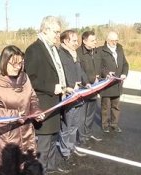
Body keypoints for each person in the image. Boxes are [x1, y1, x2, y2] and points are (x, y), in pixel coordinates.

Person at [0, 45, 45, 175]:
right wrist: (14, 115)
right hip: (7, 140)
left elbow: (32, 98)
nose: (18, 67)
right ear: (4, 62)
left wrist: (36, 111)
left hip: (27, 136)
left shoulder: (25, 78)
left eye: (20, 63)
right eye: (14, 63)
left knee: (30, 169)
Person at [24, 16, 70, 174]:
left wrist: (65, 87)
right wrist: (52, 87)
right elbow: (29, 79)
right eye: (56, 32)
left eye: (59, 32)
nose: (58, 35)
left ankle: (51, 168)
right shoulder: (34, 50)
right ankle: (41, 170)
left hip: (55, 103)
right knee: (43, 144)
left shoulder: (53, 49)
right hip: (43, 105)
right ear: (45, 30)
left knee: (52, 140)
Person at [57, 30, 89, 161]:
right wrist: (68, 87)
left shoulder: (74, 54)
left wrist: (86, 82)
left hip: (78, 94)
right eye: (74, 40)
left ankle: (71, 147)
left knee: (74, 125)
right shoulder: (60, 55)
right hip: (68, 96)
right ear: (65, 41)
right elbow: (61, 74)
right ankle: (65, 152)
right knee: (67, 126)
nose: (77, 43)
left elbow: (80, 71)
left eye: (77, 40)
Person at [97, 31, 129, 133]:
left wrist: (124, 73)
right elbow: (99, 66)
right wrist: (106, 73)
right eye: (112, 41)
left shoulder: (120, 48)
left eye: (116, 40)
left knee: (116, 106)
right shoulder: (101, 51)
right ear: (107, 40)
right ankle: (105, 124)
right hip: (107, 83)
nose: (115, 42)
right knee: (105, 106)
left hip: (117, 83)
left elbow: (125, 63)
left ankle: (114, 124)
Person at [76, 30, 102, 148]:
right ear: (85, 41)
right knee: (82, 115)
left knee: (91, 114)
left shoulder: (95, 52)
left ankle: (88, 133)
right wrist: (91, 79)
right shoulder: (78, 53)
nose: (95, 42)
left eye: (95, 40)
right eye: (92, 40)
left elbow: (100, 67)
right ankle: (81, 138)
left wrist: (101, 77)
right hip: (84, 88)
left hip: (94, 89)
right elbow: (80, 71)